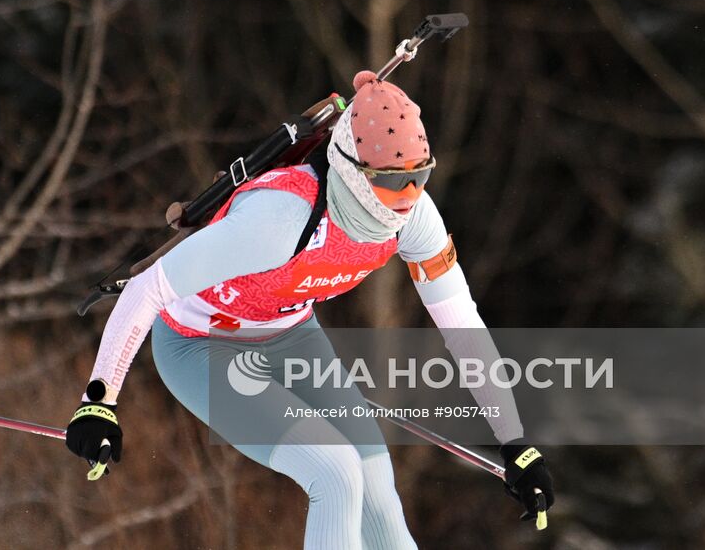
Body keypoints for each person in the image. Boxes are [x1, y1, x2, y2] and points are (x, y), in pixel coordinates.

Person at [65, 71, 556, 549]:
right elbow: (147, 289)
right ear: (354, 172)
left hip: (291, 336)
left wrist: (516, 442)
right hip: (202, 347)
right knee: (335, 472)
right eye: (392, 182)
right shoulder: (279, 217)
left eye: (419, 178)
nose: (408, 199)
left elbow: (463, 327)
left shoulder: (417, 219)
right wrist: (98, 402)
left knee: (376, 487)